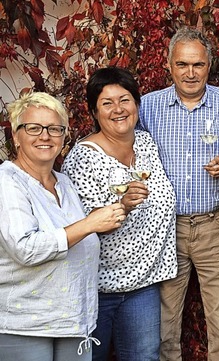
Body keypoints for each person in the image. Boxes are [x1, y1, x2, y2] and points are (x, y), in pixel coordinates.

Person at [138, 26, 219, 361]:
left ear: (209, 65)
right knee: (164, 319)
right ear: (169, 64)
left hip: (216, 223)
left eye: (198, 65)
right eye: (183, 64)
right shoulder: (148, 107)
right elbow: (131, 159)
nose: (190, 73)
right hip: (163, 227)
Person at [61, 67, 177, 361]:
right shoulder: (83, 157)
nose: (118, 109)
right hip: (96, 288)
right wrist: (122, 205)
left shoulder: (147, 144)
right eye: (107, 103)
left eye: (124, 100)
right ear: (93, 111)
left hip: (142, 287)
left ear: (137, 104)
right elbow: (80, 226)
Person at [0, 92, 125, 360]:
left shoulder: (64, 183)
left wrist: (116, 211)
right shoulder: (7, 183)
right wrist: (90, 223)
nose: (45, 136)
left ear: (64, 137)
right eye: (33, 128)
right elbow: (25, 248)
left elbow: (78, 236)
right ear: (16, 136)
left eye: (55, 129)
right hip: (26, 325)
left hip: (73, 321)